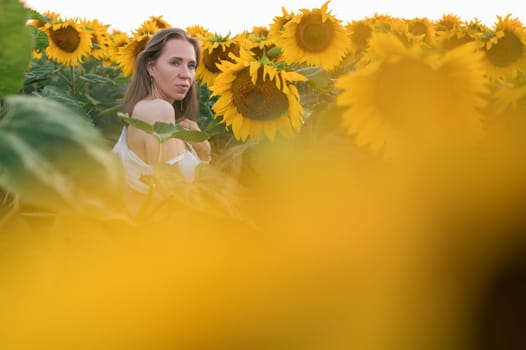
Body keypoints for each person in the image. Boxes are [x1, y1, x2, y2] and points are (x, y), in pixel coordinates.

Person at [112, 27, 211, 215]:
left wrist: (203, 151)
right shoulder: (159, 110)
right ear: (151, 67)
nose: (186, 74)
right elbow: (174, 194)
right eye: (175, 63)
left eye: (191, 65)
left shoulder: (144, 108)